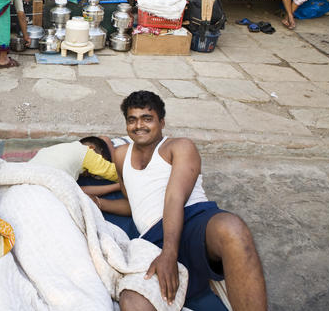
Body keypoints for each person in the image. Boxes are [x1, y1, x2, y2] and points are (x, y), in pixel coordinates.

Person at [111, 91, 267, 311]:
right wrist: (96, 202)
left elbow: (175, 198)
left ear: (161, 122)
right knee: (132, 301)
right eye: (132, 120)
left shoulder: (179, 146)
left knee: (232, 228)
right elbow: (132, 202)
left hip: (193, 220)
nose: (139, 125)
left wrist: (169, 253)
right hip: (152, 240)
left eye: (147, 118)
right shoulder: (120, 155)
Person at [27, 135, 119, 185]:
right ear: (91, 148)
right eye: (101, 160)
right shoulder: (86, 152)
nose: (92, 174)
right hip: (42, 182)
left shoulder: (55, 149)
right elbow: (116, 174)